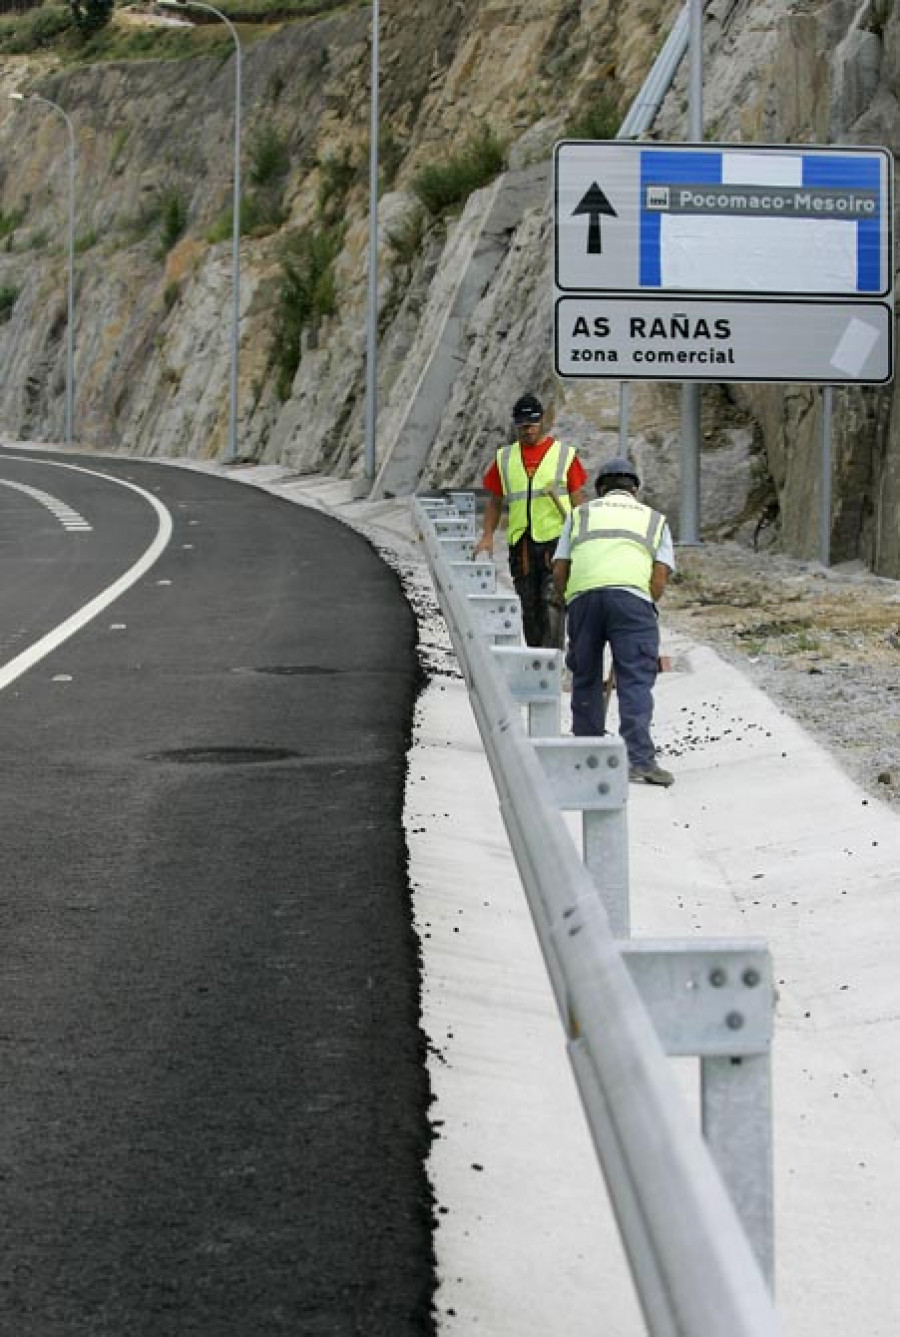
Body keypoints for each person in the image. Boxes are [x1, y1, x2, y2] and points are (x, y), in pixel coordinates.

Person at [552, 456, 676, 787]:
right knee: (635, 679)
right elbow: (659, 577)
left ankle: (586, 755)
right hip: (633, 601)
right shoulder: (655, 520)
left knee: (586, 675)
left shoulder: (580, 515)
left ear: (600, 489)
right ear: (634, 489)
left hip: (584, 599)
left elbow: (560, 568)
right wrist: (642, 606)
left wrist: (572, 600)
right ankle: (640, 761)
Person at [474, 393, 588, 647]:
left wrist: (584, 536)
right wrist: (487, 535)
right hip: (522, 545)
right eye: (522, 425)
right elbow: (495, 501)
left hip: (556, 542)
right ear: (516, 425)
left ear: (542, 422)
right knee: (529, 605)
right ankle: (537, 657)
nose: (527, 431)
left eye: (532, 424)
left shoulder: (563, 456)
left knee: (553, 601)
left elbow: (577, 497)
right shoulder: (505, 459)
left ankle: (552, 658)